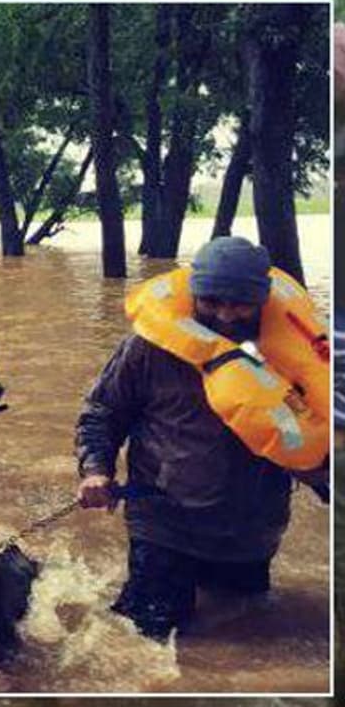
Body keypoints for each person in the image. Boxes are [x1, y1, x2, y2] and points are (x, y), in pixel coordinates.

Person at [75, 236, 330, 642]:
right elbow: (102, 413)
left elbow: (321, 437)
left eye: (241, 303)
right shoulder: (147, 348)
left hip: (252, 529)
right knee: (146, 640)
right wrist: (95, 471)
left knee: (245, 637)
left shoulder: (296, 357)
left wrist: (326, 478)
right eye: (212, 302)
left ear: (264, 300)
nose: (226, 315)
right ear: (194, 294)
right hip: (164, 524)